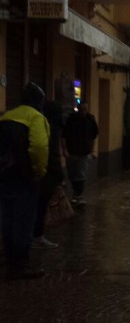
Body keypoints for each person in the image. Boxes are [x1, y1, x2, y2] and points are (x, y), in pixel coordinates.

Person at [0, 82, 50, 279]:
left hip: (5, 176)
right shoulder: (36, 118)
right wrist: (38, 171)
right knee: (23, 220)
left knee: (7, 218)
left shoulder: (5, 116)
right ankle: (20, 265)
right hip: (24, 177)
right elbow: (39, 147)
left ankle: (11, 259)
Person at [32, 100, 64, 249]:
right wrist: (59, 174)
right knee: (41, 205)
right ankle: (36, 235)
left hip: (35, 172)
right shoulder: (51, 127)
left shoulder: (38, 122)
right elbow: (52, 152)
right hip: (46, 173)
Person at [61, 102, 98, 205]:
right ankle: (75, 193)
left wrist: (92, 150)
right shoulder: (71, 119)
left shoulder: (90, 119)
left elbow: (93, 136)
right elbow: (64, 135)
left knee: (81, 174)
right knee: (72, 174)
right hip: (72, 151)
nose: (83, 112)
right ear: (78, 109)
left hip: (84, 152)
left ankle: (79, 195)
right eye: (82, 110)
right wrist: (65, 150)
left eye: (85, 109)